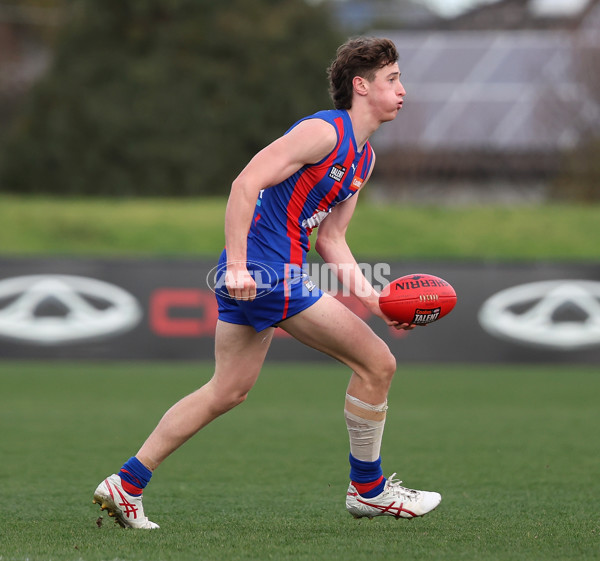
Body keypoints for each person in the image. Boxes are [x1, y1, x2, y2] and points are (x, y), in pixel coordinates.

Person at [93, 36, 441, 529]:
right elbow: (244, 184)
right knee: (377, 364)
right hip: (263, 272)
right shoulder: (324, 131)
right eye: (393, 79)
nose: (403, 89)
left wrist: (374, 299)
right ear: (361, 86)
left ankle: (125, 485)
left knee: (228, 390)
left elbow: (332, 240)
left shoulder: (364, 160)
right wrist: (236, 265)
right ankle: (369, 490)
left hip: (276, 272)